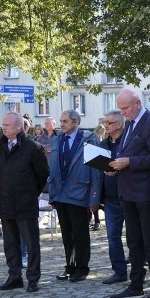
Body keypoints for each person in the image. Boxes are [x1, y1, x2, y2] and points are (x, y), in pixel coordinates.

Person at [108, 88, 150, 298]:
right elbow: (129, 151)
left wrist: (130, 162)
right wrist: (115, 165)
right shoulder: (131, 123)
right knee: (133, 241)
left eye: (125, 108)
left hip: (145, 193)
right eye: (120, 109)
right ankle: (136, 285)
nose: (123, 113)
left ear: (138, 104)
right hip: (128, 191)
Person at [0, 112, 49, 293]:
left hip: (25, 203)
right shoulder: (0, 147)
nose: (4, 128)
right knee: (10, 243)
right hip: (6, 203)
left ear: (19, 127)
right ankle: (14, 277)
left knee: (31, 243)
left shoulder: (32, 147)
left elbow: (42, 174)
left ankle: (32, 278)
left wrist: (30, 192)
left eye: (8, 125)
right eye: (3, 125)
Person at [48, 110, 102, 282]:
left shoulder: (89, 139)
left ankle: (82, 267)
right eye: (61, 120)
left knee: (80, 233)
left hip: (80, 193)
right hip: (61, 194)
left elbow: (98, 170)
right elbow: (53, 168)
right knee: (66, 234)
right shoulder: (57, 139)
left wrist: (95, 198)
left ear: (75, 122)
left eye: (65, 121)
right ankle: (69, 266)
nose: (61, 124)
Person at [99, 110, 128, 284]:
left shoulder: (128, 142)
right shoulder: (103, 144)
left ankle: (139, 269)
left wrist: (117, 171)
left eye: (109, 123)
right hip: (110, 197)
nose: (105, 126)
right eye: (105, 122)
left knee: (134, 237)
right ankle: (119, 271)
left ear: (119, 124)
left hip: (128, 195)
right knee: (112, 237)